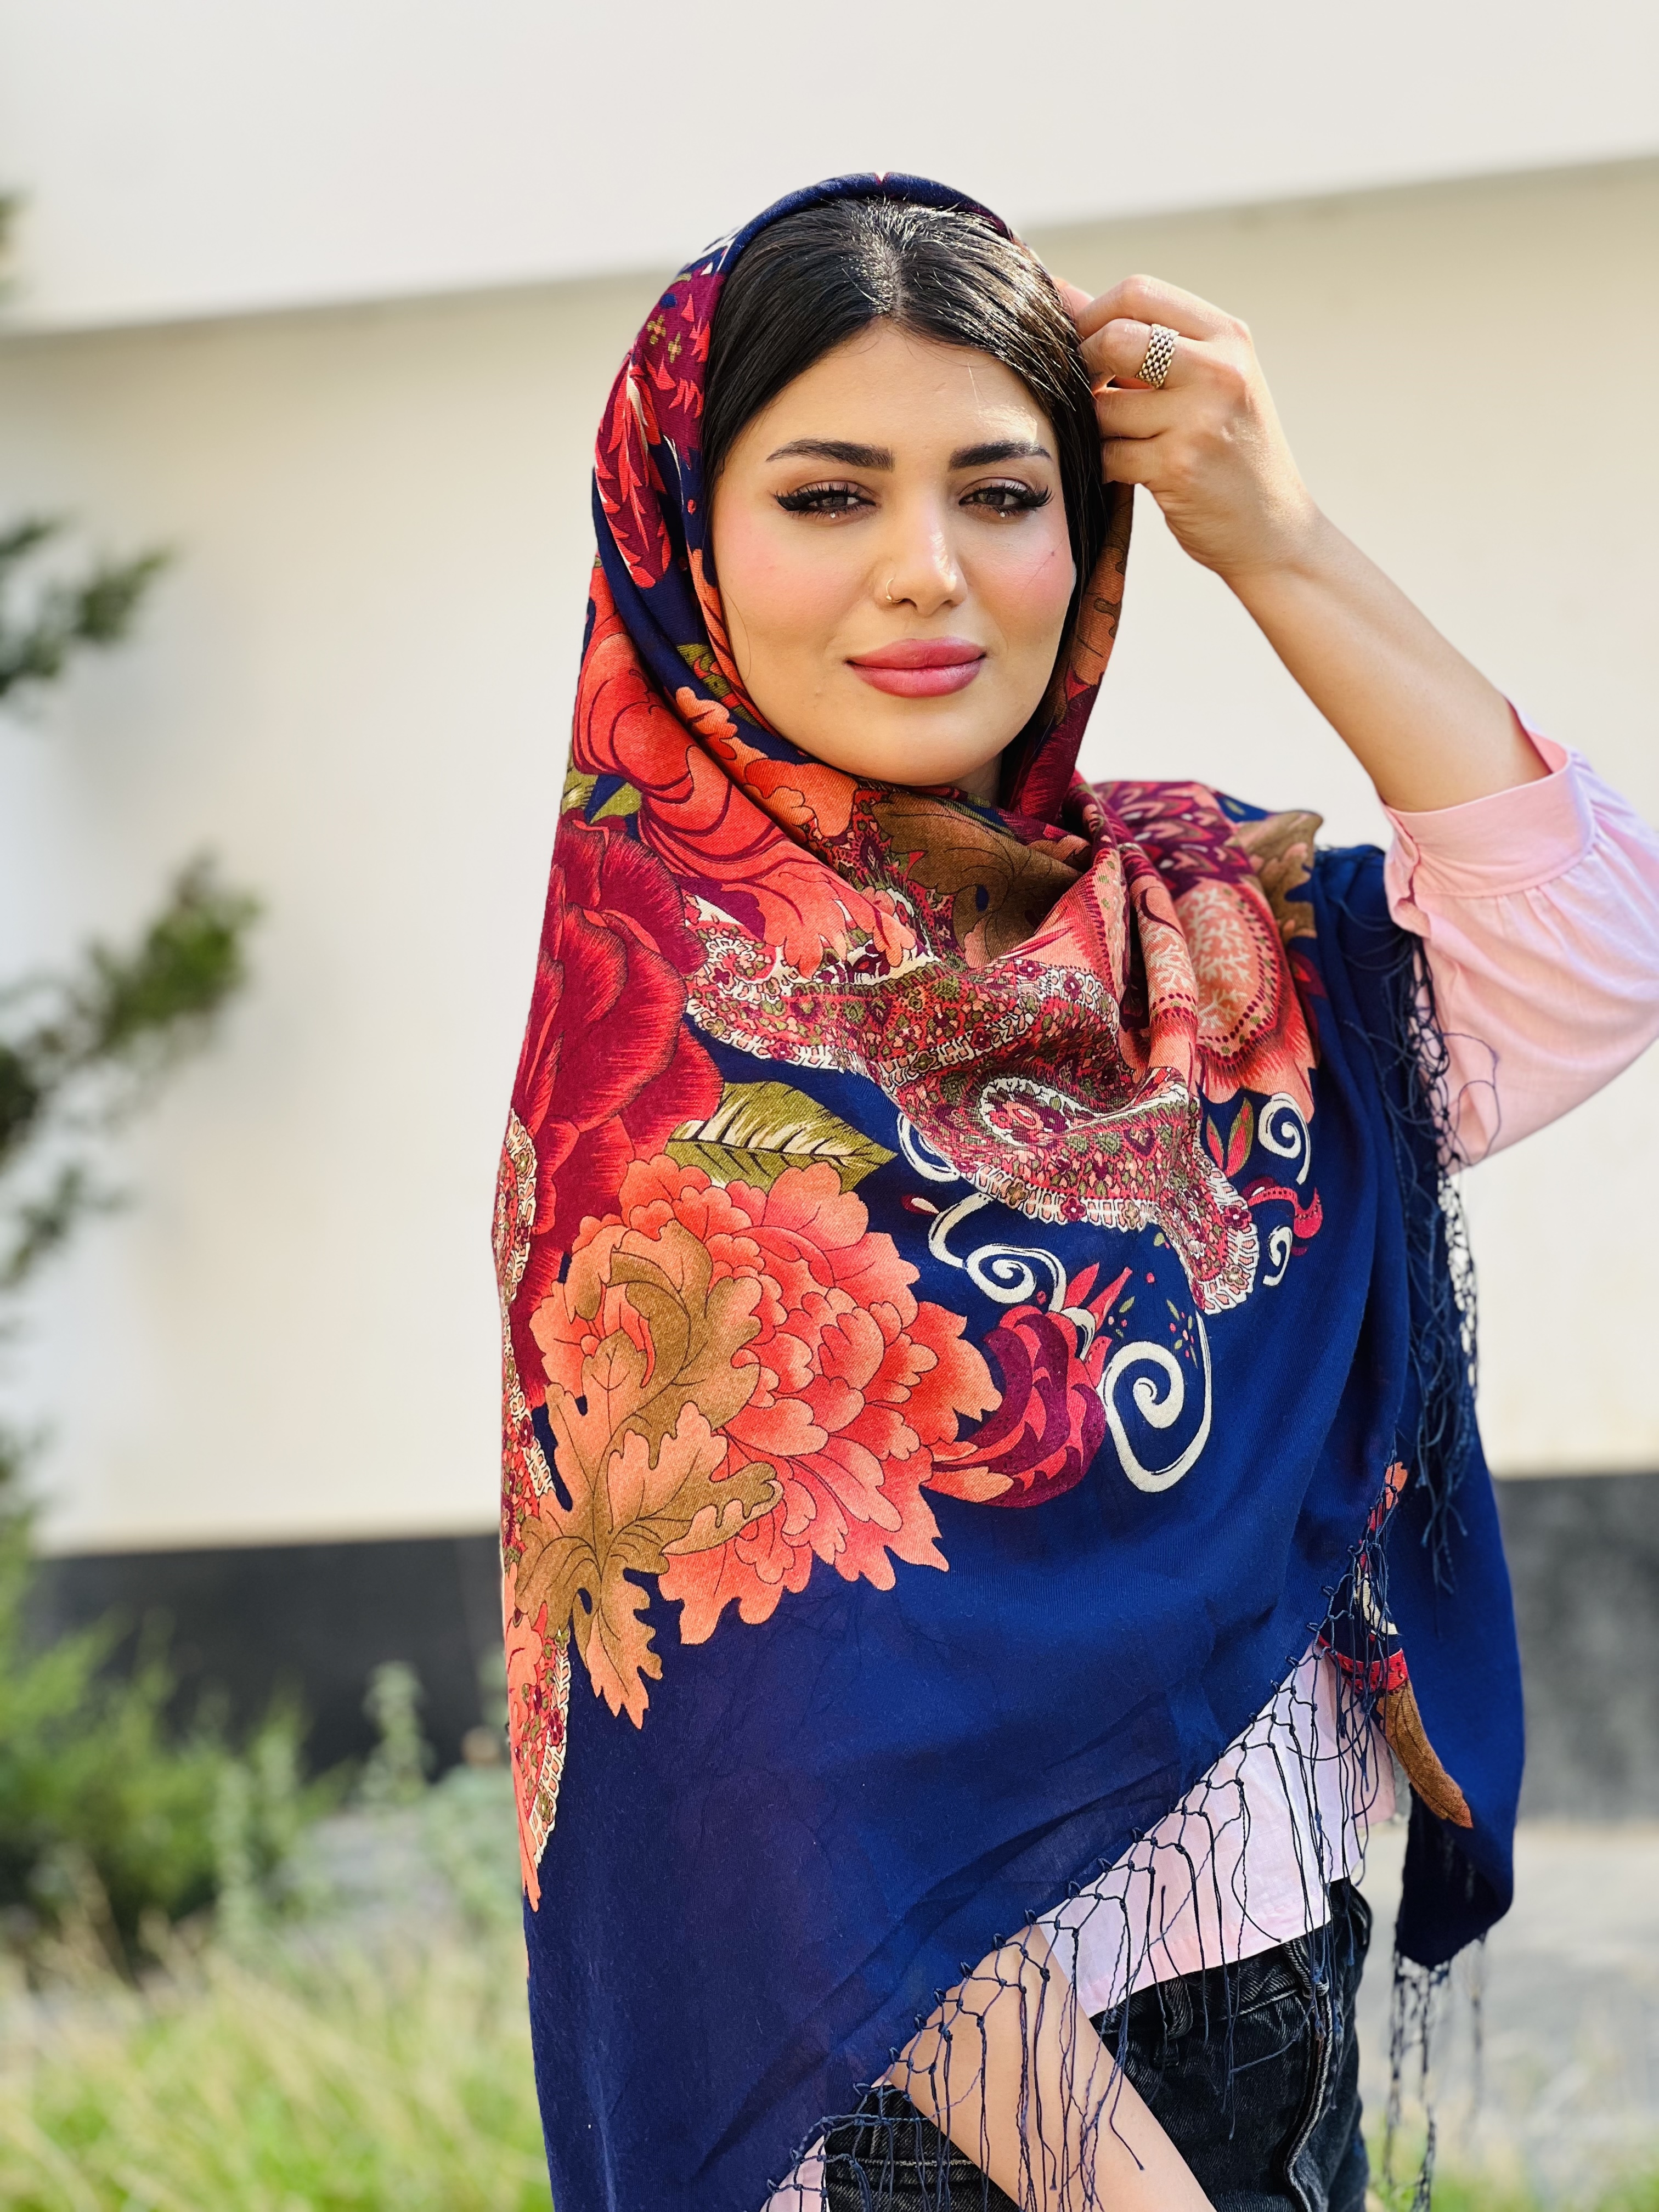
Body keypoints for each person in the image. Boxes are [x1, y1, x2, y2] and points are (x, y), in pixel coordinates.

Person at [493, 174, 1659, 2211]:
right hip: (928, 2121)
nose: (928, 574)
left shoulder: (1195, 935)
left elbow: (1590, 948)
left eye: (1004, 493)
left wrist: (1275, 536)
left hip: (1265, 2023)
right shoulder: (663, 1063)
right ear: (683, 541)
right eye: (829, 496)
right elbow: (783, 1781)